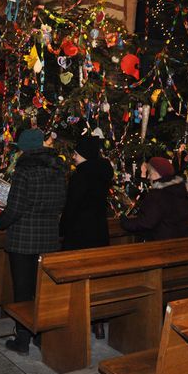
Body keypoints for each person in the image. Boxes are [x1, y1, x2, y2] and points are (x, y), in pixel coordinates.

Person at [0, 128, 67, 355]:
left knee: (23, 292)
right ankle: (42, 337)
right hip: (48, 239)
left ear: (24, 148)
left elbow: (15, 207)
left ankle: (23, 339)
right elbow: (61, 202)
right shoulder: (58, 169)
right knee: (42, 291)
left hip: (23, 240)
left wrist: (1, 221)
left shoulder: (24, 171)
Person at [60, 136, 114, 340]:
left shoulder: (81, 176)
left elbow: (72, 206)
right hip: (98, 231)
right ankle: (98, 323)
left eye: (76, 153)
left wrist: (62, 228)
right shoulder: (103, 172)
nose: (73, 156)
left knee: (77, 277)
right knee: (96, 277)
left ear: (83, 153)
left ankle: (76, 321)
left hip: (79, 233)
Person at [120, 157, 188, 241]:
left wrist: (124, 222)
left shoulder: (158, 194)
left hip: (160, 244)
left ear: (157, 174)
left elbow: (146, 222)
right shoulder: (177, 189)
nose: (149, 177)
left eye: (150, 173)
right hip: (178, 241)